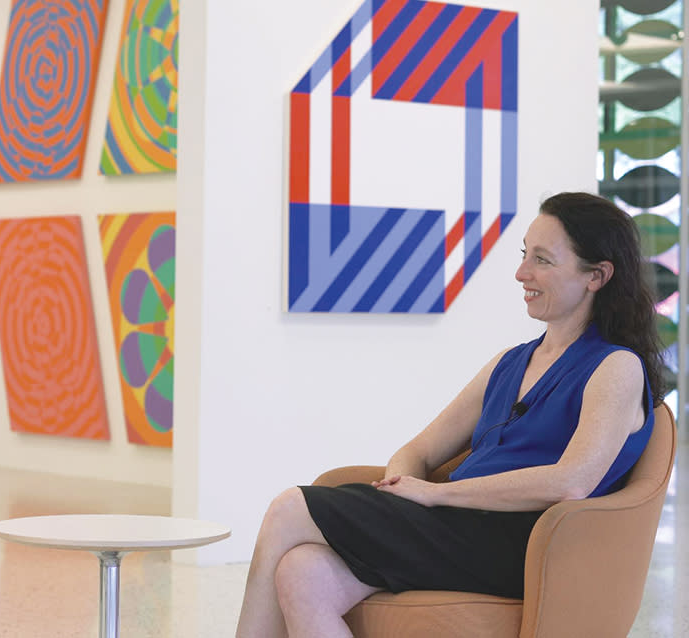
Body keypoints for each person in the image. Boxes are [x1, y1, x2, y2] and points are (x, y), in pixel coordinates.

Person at [235, 192, 664, 637]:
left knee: (290, 508)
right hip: (453, 532)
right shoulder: (509, 363)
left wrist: (435, 496)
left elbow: (572, 481)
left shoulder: (616, 367)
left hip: (519, 543)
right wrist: (402, 490)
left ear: (597, 275)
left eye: (543, 260)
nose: (522, 273)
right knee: (303, 573)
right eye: (524, 255)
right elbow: (419, 449)